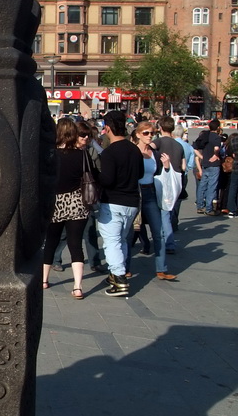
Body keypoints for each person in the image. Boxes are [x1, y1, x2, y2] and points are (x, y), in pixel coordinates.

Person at [42, 118, 95, 299]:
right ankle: (78, 286)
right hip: (77, 203)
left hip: (55, 203)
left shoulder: (50, 154)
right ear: (73, 133)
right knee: (75, 243)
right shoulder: (82, 155)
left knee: (51, 241)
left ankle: (44, 280)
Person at [96, 110, 144, 297]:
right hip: (132, 201)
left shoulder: (109, 153)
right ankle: (115, 275)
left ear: (107, 128)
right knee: (122, 239)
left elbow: (107, 180)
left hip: (114, 201)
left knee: (112, 242)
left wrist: (95, 174)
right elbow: (140, 174)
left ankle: (120, 279)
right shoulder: (134, 149)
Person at [131, 120, 180, 283]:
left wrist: (166, 166)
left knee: (158, 232)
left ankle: (162, 269)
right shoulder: (133, 152)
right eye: (146, 133)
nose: (149, 136)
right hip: (135, 194)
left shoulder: (155, 154)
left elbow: (161, 175)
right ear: (138, 134)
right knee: (130, 232)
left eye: (152, 133)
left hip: (151, 193)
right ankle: (123, 269)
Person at [155, 116, 186, 247]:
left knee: (162, 212)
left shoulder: (158, 142)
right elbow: (183, 166)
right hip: (176, 181)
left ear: (160, 128)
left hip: (161, 180)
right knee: (168, 211)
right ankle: (169, 241)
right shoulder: (179, 145)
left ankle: (168, 242)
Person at [194, 119, 223, 215]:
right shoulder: (217, 138)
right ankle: (209, 208)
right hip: (214, 165)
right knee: (212, 186)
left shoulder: (205, 136)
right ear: (218, 127)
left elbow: (194, 147)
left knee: (202, 185)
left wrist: (201, 156)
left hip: (205, 163)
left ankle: (200, 205)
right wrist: (216, 155)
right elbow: (216, 148)